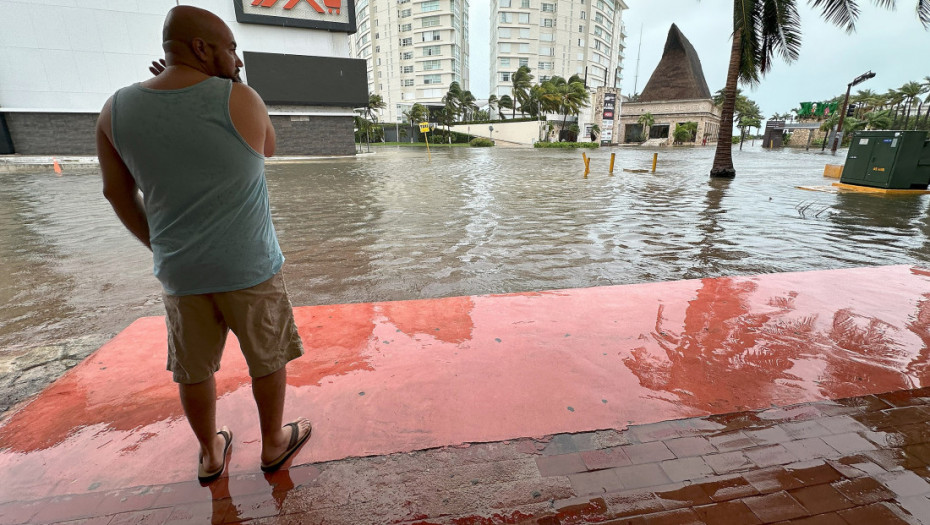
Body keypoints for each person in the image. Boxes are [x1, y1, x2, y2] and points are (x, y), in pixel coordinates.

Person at [95, 5, 311, 483]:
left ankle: (211, 454)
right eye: (231, 48)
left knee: (192, 370)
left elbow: (116, 192)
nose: (236, 59)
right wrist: (233, 83)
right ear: (201, 48)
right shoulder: (241, 99)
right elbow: (269, 146)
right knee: (267, 356)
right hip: (249, 266)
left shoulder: (115, 109)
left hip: (181, 272)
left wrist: (159, 244)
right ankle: (274, 442)